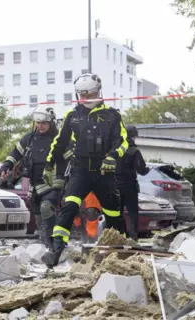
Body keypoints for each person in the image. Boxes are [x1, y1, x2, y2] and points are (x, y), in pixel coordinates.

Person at [41, 73, 129, 268]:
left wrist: (113, 157)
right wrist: (49, 163)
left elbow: (122, 141)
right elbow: (59, 142)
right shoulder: (73, 116)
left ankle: (121, 250)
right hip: (80, 170)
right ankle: (55, 250)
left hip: (104, 172)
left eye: (90, 94)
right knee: (69, 207)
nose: (86, 99)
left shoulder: (112, 115)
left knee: (113, 213)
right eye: (82, 95)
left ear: (98, 91)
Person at [0, 106, 66, 247]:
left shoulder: (60, 139)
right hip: (35, 183)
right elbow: (15, 153)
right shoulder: (30, 138)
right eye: (38, 123)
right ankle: (45, 241)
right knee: (37, 212)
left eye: (44, 123)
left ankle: (52, 242)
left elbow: (71, 159)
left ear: (51, 123)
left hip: (53, 182)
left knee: (47, 207)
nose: (40, 126)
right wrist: (6, 165)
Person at [115, 125, 149, 240]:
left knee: (116, 213)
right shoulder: (134, 151)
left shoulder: (115, 149)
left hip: (115, 187)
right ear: (133, 136)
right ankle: (133, 237)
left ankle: (119, 236)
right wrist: (147, 170)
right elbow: (141, 170)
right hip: (129, 186)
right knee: (133, 213)